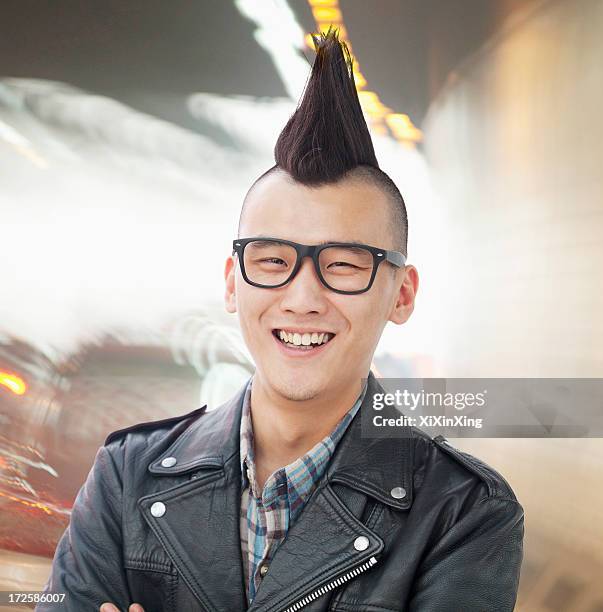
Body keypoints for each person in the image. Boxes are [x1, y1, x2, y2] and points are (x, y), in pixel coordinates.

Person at [39, 28, 524, 612]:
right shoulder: (126, 476)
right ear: (231, 282)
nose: (302, 297)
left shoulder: (464, 513)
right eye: (272, 260)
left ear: (402, 294)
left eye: (344, 265)